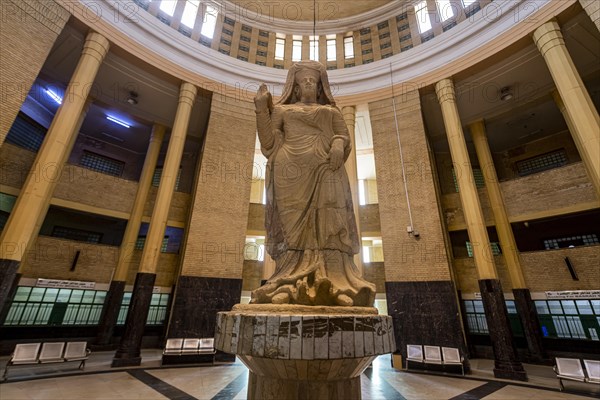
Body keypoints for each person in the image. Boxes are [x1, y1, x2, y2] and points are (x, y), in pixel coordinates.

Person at [251, 61, 376, 307]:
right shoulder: (282, 111)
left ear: (320, 87)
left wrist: (339, 143)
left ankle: (334, 282)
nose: (308, 83)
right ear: (295, 88)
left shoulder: (331, 112)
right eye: (303, 81)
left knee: (330, 225)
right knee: (292, 231)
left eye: (313, 81)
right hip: (290, 174)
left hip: (326, 170)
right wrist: (260, 110)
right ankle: (287, 283)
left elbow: (344, 136)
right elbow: (268, 144)